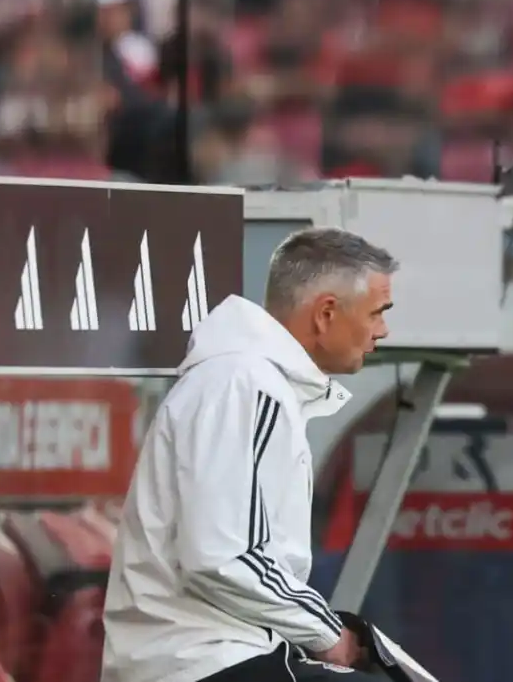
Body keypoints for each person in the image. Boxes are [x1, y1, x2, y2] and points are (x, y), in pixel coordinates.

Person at [101, 229, 400, 682]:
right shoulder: (243, 385)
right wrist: (326, 632)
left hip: (212, 654)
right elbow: (225, 556)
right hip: (198, 661)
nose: (383, 330)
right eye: (377, 312)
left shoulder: (248, 382)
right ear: (326, 314)